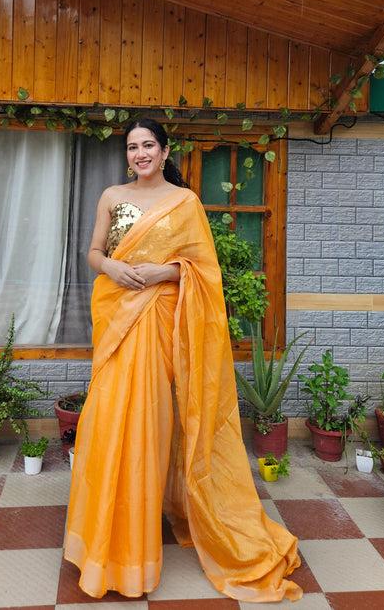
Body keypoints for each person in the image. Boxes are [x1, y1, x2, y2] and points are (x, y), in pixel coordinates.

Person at [64, 119, 302, 603]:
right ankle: (107, 534)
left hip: (161, 326)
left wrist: (164, 272)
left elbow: (203, 269)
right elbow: (93, 251)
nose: (140, 153)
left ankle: (137, 539)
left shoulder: (185, 202)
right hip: (118, 321)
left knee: (150, 422)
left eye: (148, 144)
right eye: (132, 147)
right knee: (109, 421)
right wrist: (109, 264)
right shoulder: (112, 195)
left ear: (165, 149)